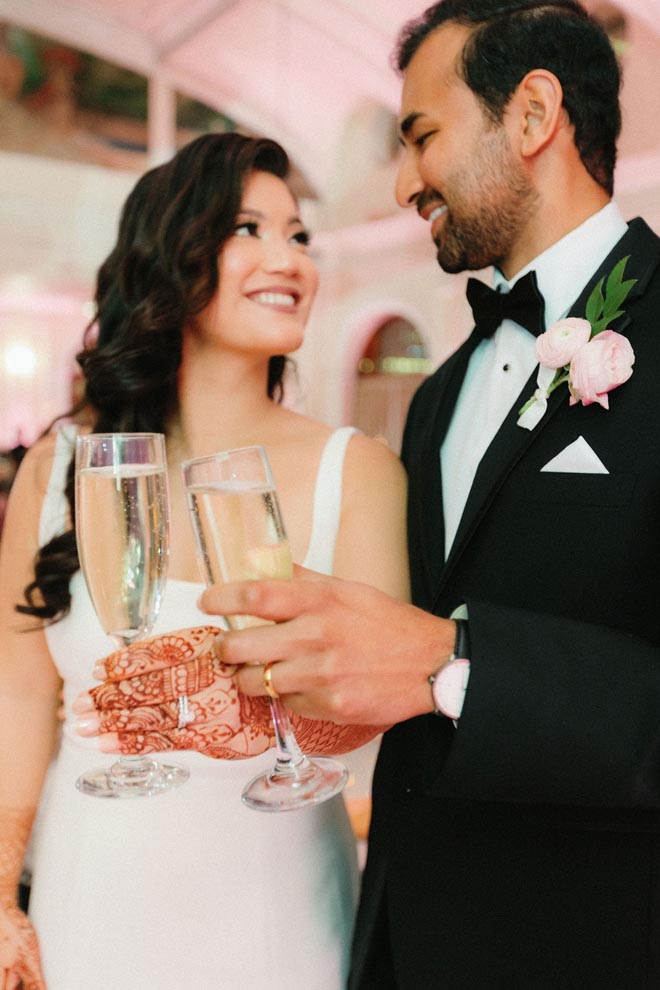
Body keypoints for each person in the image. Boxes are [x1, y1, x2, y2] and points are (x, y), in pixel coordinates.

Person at [80, 2, 660, 987]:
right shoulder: (440, 395)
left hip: (591, 944)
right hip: (399, 937)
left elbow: (436, 656)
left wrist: (455, 662)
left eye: (423, 137)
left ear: (532, 116)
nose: (401, 185)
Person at [0, 132, 409, 990]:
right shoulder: (63, 464)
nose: (288, 258)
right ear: (170, 254)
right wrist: (1, 892)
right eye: (249, 229)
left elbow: (373, 713)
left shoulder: (357, 469)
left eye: (299, 235)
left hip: (276, 908)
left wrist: (220, 710)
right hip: (89, 897)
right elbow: (20, 692)